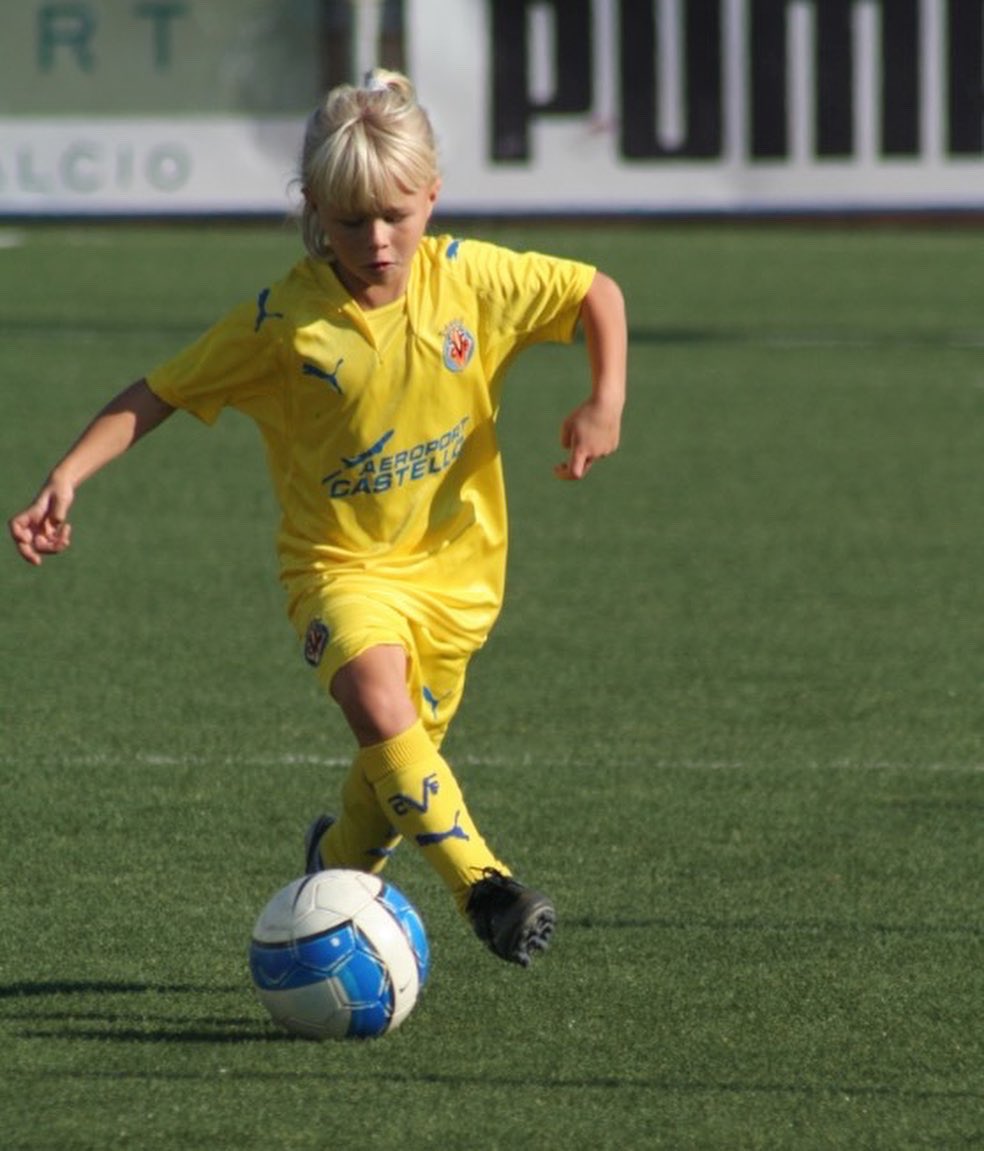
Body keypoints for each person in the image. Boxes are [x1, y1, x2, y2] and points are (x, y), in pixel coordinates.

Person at [8, 69, 627, 968]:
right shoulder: (283, 324)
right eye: (349, 222)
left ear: (432, 196)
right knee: (378, 705)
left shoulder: (472, 281)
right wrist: (66, 474)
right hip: (338, 569)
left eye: (396, 216)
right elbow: (161, 390)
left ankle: (331, 864)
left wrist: (603, 400)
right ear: (313, 211)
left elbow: (596, 292)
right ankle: (485, 888)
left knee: (392, 770)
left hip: (459, 578)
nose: (376, 241)